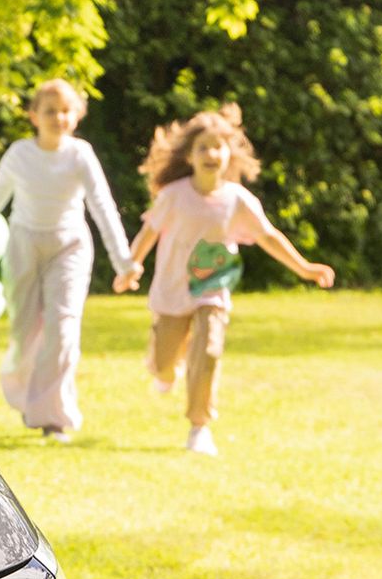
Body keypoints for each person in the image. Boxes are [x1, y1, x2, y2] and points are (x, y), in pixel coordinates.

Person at [116, 105, 335, 455]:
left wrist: (305, 268)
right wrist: (130, 268)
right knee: (163, 363)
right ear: (189, 155)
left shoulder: (237, 199)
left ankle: (199, 427)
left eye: (218, 146)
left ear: (229, 153)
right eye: (203, 146)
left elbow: (268, 237)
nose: (211, 153)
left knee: (210, 350)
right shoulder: (173, 196)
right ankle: (165, 368)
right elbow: (147, 234)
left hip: (211, 288)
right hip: (172, 291)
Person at [0, 77, 135, 441]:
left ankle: (52, 416)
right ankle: (25, 393)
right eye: (50, 111)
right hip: (24, 245)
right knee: (25, 332)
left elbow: (103, 207)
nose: (58, 118)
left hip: (69, 247)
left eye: (65, 111)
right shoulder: (20, 154)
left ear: (76, 117)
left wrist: (124, 262)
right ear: (33, 116)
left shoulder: (80, 155)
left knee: (62, 328)